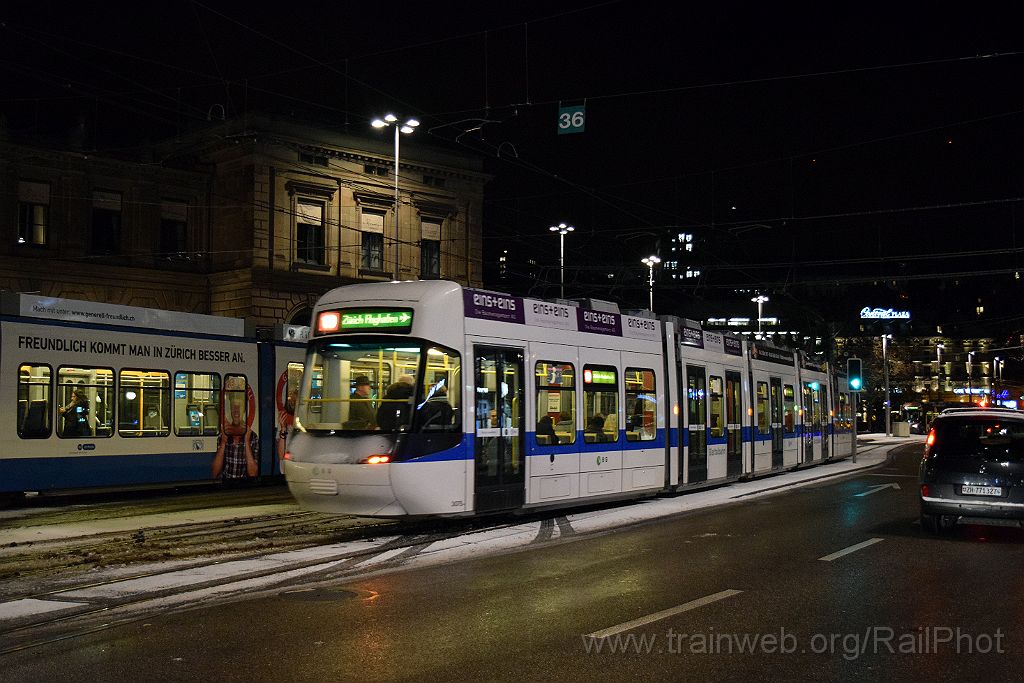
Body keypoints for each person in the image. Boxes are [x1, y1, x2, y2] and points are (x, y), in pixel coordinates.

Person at [213, 397, 258, 479]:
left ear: (244, 410)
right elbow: (215, 472)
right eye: (233, 406)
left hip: (244, 486)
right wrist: (223, 443)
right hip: (226, 484)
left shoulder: (252, 436)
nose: (236, 409)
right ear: (230, 410)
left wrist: (247, 442)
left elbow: (253, 473)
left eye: (239, 406)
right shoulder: (223, 434)